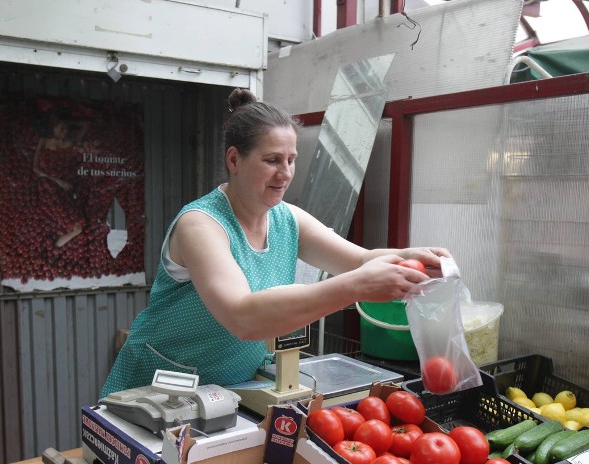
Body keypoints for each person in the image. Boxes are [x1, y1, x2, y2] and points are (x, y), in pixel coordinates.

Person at [101, 88, 451, 397]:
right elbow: (242, 317)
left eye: (291, 160)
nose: (284, 173)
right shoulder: (201, 226)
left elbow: (358, 260)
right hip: (155, 393)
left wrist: (407, 256)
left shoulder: (287, 219)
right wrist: (354, 288)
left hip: (231, 389)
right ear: (234, 159)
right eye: (271, 161)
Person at [32, 110, 89, 247]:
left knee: (75, 225)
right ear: (53, 129)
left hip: (68, 188)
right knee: (74, 226)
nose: (65, 131)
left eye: (66, 127)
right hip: (49, 187)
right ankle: (56, 245)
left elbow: (86, 124)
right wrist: (57, 181)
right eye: (61, 128)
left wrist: (69, 122)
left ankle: (56, 245)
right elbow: (35, 168)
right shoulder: (44, 141)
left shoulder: (70, 142)